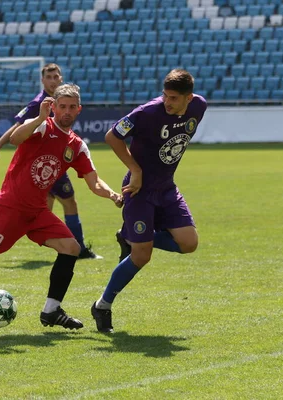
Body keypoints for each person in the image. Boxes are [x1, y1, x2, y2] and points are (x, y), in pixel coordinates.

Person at [0, 84, 123, 336]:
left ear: (79, 109)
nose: (66, 111)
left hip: (37, 212)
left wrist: (111, 194)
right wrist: (41, 118)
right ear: (53, 106)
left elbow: (93, 180)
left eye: (71, 107)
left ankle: (52, 310)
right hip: (12, 206)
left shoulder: (77, 146)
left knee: (72, 248)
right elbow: (15, 138)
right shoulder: (42, 126)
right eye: (61, 106)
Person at [91, 69, 207, 333]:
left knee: (189, 244)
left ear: (189, 98)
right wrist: (136, 169)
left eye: (174, 98)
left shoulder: (199, 106)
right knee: (142, 256)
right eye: (165, 95)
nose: (167, 102)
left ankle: (129, 235)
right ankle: (103, 305)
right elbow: (112, 136)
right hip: (139, 190)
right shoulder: (147, 112)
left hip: (166, 188)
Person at [0, 63, 102, 260]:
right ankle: (80, 249)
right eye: (49, 77)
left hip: (54, 164)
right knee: (68, 203)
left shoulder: (61, 101)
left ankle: (8, 219)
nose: (53, 80)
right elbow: (17, 127)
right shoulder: (38, 104)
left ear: (61, 78)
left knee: (45, 207)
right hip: (43, 167)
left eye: (56, 77)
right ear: (43, 80)